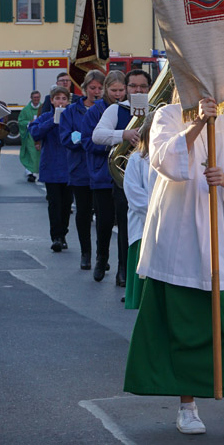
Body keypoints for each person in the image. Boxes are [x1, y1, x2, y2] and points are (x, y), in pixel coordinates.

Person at [123, 97, 224, 437]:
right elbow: (163, 161)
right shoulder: (168, 115)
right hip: (179, 236)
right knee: (182, 325)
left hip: (221, 235)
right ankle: (187, 407)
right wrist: (199, 123)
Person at [91, 69, 153, 286]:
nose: (138, 90)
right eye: (133, 86)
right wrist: (123, 135)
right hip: (124, 175)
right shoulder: (117, 110)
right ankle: (123, 270)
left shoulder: (158, 110)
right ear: (126, 89)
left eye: (142, 86)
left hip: (155, 175)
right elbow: (97, 136)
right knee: (127, 226)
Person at [82, 70, 129, 284]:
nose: (118, 94)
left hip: (124, 175)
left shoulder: (127, 109)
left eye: (121, 90)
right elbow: (88, 142)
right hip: (102, 174)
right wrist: (116, 145)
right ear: (105, 90)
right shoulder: (95, 111)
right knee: (104, 221)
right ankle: (101, 259)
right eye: (113, 90)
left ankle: (123, 267)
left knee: (124, 223)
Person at [60, 71, 104, 269]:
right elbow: (65, 138)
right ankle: (85, 252)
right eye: (92, 88)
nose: (96, 92)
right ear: (85, 89)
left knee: (103, 214)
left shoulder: (108, 108)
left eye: (100, 88)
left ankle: (101, 256)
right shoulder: (70, 111)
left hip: (101, 168)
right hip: (80, 168)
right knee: (83, 212)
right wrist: (83, 138)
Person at [29, 87, 73, 252]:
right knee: (54, 204)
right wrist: (52, 121)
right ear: (52, 101)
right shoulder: (45, 116)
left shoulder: (71, 116)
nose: (61, 101)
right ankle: (56, 237)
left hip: (69, 167)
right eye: (57, 98)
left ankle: (63, 234)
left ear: (68, 101)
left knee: (66, 204)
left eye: (63, 98)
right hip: (51, 167)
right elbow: (34, 132)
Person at [121, 113, 158, 309]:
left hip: (168, 229)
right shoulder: (137, 159)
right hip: (143, 229)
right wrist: (159, 215)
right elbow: (135, 196)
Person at [18, 90, 42, 183]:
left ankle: (37, 173)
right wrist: (29, 122)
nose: (36, 99)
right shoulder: (26, 110)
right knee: (32, 154)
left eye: (38, 97)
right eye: (35, 97)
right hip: (30, 136)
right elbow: (20, 122)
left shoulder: (42, 108)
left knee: (39, 155)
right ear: (31, 98)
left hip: (40, 135)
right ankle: (31, 173)